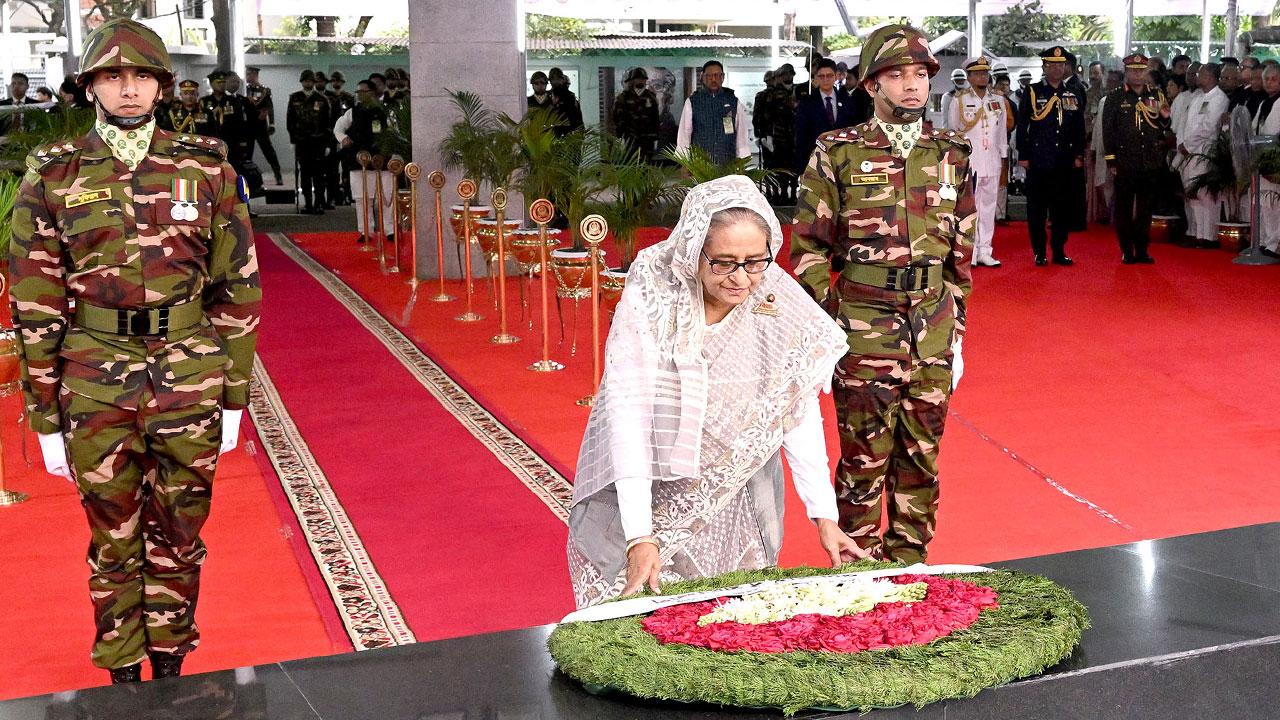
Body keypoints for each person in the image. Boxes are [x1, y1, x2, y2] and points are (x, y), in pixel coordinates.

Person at [9, 17, 260, 685]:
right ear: (90, 86)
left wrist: (235, 397)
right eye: (112, 76)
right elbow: (34, 300)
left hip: (189, 377)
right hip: (94, 383)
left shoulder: (205, 166)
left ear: (162, 85)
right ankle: (122, 673)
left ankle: (172, 665)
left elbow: (237, 286)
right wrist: (44, 414)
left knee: (180, 536)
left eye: (141, 75)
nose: (127, 88)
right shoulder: (54, 175)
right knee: (112, 540)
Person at [566, 175, 855, 607]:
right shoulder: (653, 294)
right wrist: (640, 535)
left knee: (729, 624)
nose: (742, 278)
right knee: (638, 622)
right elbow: (628, 417)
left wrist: (824, 515)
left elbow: (796, 410)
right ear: (692, 253)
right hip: (652, 487)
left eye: (756, 261)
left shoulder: (775, 295)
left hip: (735, 491)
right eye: (723, 262)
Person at [792, 24, 974, 563]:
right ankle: (859, 580)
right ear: (872, 84)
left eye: (920, 74)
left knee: (921, 461)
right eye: (897, 75)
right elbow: (806, 251)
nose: (912, 85)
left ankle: (911, 572)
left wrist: (956, 329)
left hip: (933, 329)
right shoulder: (838, 152)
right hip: (863, 329)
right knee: (863, 461)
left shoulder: (952, 152)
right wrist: (834, 328)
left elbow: (961, 251)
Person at [1016, 46, 1086, 266]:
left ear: (1066, 67)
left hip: (1063, 159)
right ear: (1044, 67)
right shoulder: (1033, 91)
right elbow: (1023, 124)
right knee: (1037, 209)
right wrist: (1023, 154)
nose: (1057, 68)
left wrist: (1078, 153)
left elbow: (1078, 126)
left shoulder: (1072, 93)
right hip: (1039, 159)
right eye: (1052, 65)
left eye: (1061, 64)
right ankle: (1039, 252)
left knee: (1061, 208)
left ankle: (1058, 250)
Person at [1102, 53, 1172, 264]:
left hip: (1149, 160)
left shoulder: (1156, 95)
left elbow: (1164, 126)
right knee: (1123, 208)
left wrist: (1165, 118)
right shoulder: (1116, 97)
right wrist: (1111, 159)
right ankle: (1126, 249)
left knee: (1145, 208)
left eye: (1141, 71)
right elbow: (1109, 130)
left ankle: (1142, 249)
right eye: (1133, 71)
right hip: (1125, 160)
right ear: (1126, 73)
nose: (1137, 75)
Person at [950, 56, 1007, 267]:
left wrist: (1003, 154)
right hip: (970, 161)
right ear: (969, 76)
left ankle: (985, 250)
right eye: (977, 73)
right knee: (968, 208)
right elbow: (953, 131)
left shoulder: (998, 100)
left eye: (985, 72)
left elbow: (1001, 132)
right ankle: (970, 251)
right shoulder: (960, 100)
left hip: (991, 159)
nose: (982, 76)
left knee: (989, 206)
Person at [334, 79, 394, 243]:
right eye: (358, 92)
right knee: (362, 198)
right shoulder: (352, 112)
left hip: (382, 161)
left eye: (364, 92)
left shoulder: (385, 111)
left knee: (387, 197)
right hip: (359, 161)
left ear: (373, 93)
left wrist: (388, 151)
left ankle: (390, 230)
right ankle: (366, 231)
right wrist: (343, 138)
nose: (360, 95)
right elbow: (338, 128)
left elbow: (394, 133)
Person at [1178, 63, 1228, 250]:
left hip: (1204, 151)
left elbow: (1208, 126)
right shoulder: (1198, 97)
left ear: (1210, 77)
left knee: (1205, 194)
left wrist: (1189, 145)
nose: (1197, 77)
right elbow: (1184, 123)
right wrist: (1181, 143)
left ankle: (1210, 236)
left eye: (1201, 74)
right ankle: (1196, 232)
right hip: (1188, 151)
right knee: (1192, 193)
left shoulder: (1218, 98)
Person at [675, 60, 750, 163]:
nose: (713, 79)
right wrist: (684, 162)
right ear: (703, 77)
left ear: (722, 77)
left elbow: (741, 134)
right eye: (709, 76)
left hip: (727, 161)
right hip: (701, 163)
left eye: (717, 75)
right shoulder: (693, 101)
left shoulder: (733, 101)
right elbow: (685, 133)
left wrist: (742, 160)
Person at [793, 58, 858, 171]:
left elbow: (853, 130)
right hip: (816, 159)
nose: (825, 79)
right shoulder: (807, 103)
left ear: (836, 76)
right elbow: (801, 135)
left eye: (829, 75)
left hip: (843, 160)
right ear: (816, 78)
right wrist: (802, 165)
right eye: (821, 76)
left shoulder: (847, 100)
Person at [287, 69, 334, 214]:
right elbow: (291, 121)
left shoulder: (322, 99)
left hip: (318, 141)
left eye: (310, 81)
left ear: (314, 83)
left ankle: (319, 203)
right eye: (305, 81)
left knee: (319, 174)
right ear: (302, 82)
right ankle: (307, 203)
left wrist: (327, 143)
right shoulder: (295, 98)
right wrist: (292, 141)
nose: (308, 83)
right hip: (302, 141)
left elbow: (328, 122)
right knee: (305, 174)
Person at [1253, 64, 1280, 258]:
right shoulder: (1264, 103)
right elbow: (1256, 129)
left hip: (1275, 159)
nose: (1269, 83)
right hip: (1261, 158)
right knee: (1262, 203)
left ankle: (1274, 244)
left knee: (1274, 203)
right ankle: (1262, 241)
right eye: (1267, 79)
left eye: (1274, 79)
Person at [244, 66, 283, 186]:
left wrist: (272, 123)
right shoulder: (244, 90)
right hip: (248, 125)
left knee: (268, 151)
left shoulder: (265, 90)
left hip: (260, 125)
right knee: (246, 152)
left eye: (249, 74)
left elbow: (269, 108)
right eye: (247, 74)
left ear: (255, 74)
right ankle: (245, 177)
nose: (247, 76)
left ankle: (278, 175)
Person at [612, 67, 660, 162]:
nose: (640, 81)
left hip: (647, 140)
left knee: (646, 166)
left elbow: (655, 119)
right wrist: (620, 137)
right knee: (631, 165)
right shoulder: (623, 97)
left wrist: (655, 137)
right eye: (637, 78)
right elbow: (618, 119)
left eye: (642, 79)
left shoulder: (650, 97)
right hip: (630, 138)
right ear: (632, 81)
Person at [547, 68, 584, 137]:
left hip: (568, 135)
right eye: (553, 79)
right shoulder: (548, 96)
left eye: (558, 79)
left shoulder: (570, 97)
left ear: (563, 80)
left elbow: (577, 119)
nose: (556, 82)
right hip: (551, 135)